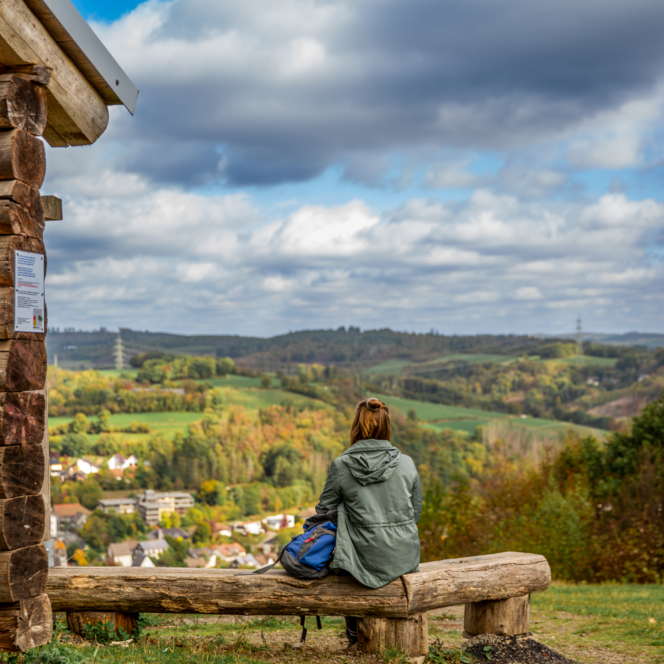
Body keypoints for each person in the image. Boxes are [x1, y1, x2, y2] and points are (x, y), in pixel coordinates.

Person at [315, 397, 422, 646]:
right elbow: (415, 512)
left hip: (360, 560)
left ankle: (354, 635)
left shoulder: (341, 465)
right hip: (404, 556)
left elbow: (323, 510)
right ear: (386, 427)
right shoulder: (407, 463)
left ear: (355, 426)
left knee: (345, 551)